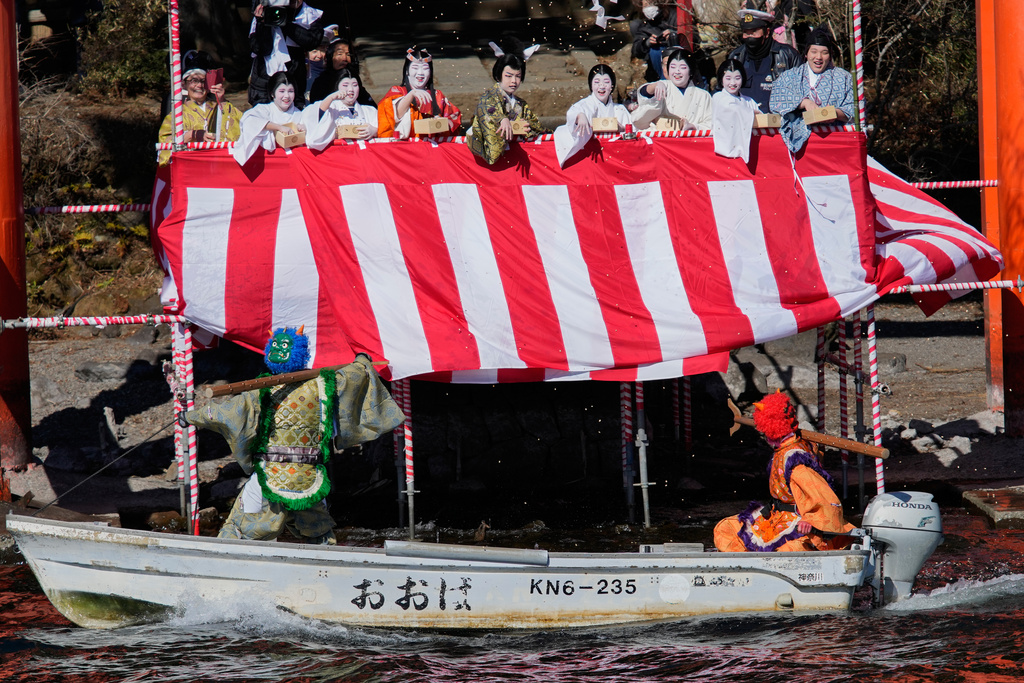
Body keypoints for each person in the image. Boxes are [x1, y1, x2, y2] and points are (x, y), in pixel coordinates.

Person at [182, 326, 404, 544]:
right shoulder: (325, 386)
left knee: (240, 525)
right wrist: (362, 362)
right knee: (318, 530)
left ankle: (224, 555)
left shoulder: (262, 392)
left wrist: (191, 417)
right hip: (309, 474)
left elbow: (225, 412)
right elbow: (355, 375)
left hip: (271, 473)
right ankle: (327, 558)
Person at [713, 392, 854, 552]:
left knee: (789, 549)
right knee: (726, 529)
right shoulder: (784, 449)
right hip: (776, 516)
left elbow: (826, 499)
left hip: (798, 522)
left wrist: (810, 520)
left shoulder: (795, 461)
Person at [769, 27, 854, 153]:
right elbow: (776, 98)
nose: (818, 57)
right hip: (801, 147)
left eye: (824, 52)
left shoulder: (844, 78)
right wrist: (804, 102)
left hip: (834, 143)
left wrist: (833, 113)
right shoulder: (791, 76)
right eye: (813, 51)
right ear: (806, 53)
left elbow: (856, 108)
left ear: (830, 55)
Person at [157, 50, 242, 164]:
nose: (199, 85)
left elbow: (239, 128)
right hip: (191, 166)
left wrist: (222, 101)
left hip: (219, 164)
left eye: (203, 81)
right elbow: (165, 143)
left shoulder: (221, 107)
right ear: (184, 85)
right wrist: (192, 136)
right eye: (193, 80)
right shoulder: (177, 114)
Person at [467, 51, 547, 165]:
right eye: (508, 76)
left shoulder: (521, 103)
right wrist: (502, 119)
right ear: (499, 75)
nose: (513, 81)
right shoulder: (489, 97)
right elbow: (487, 109)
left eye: (518, 76)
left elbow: (536, 125)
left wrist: (526, 125)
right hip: (482, 153)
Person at [726, 0, 802, 113]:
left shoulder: (788, 55)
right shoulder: (736, 57)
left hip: (778, 124)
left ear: (766, 32)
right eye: (746, 32)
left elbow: (800, 92)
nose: (749, 36)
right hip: (745, 123)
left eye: (754, 32)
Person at [247, 0, 326, 109]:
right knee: (264, 118)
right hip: (263, 81)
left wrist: (286, 23)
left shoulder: (307, 14)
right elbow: (259, 48)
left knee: (294, 119)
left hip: (294, 78)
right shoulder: (266, 11)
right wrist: (261, 22)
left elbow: (312, 42)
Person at [554, 64, 632, 167]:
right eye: (596, 82)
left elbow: (632, 133)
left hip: (616, 160)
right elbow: (572, 113)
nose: (602, 86)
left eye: (606, 82)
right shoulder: (584, 105)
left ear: (612, 85)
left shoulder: (620, 109)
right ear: (591, 85)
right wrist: (580, 116)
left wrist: (621, 128)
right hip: (590, 161)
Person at [377, 46, 462, 139]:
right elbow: (392, 115)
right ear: (407, 71)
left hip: (432, 146)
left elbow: (454, 119)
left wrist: (441, 123)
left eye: (425, 68)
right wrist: (411, 95)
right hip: (406, 146)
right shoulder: (397, 91)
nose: (420, 73)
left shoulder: (437, 95)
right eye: (415, 68)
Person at [630, 47, 712, 131]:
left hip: (690, 141)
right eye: (673, 67)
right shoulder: (662, 86)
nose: (677, 71)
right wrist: (655, 86)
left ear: (691, 71)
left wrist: (693, 126)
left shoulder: (703, 95)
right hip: (662, 141)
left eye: (683, 67)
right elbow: (645, 97)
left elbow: (710, 123)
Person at [232, 71, 306, 166]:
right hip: (269, 162)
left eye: (291, 91)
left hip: (294, 162)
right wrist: (278, 127)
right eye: (282, 91)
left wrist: (305, 129)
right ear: (272, 93)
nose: (287, 96)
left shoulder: (299, 114)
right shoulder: (263, 109)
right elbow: (249, 121)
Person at [303, 69, 378, 149]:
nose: (351, 90)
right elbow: (315, 132)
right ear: (337, 87)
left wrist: (375, 131)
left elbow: (387, 132)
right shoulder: (330, 108)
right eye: (345, 85)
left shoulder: (370, 111)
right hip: (339, 155)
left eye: (355, 85)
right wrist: (330, 98)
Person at [711, 58, 761, 163]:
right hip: (724, 152)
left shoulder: (749, 101)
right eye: (728, 78)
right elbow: (732, 110)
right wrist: (750, 113)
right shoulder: (718, 97)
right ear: (721, 79)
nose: (733, 83)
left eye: (737, 78)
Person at [309, 37, 376, 106]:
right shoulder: (321, 81)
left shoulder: (354, 77)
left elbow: (367, 103)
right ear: (330, 57)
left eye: (348, 54)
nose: (344, 58)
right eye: (339, 54)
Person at [630, 0, 678, 81]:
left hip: (676, 55)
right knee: (655, 51)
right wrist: (646, 43)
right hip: (656, 62)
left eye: (651, 4)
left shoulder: (674, 16)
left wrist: (674, 35)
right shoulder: (644, 24)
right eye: (645, 5)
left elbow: (693, 37)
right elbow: (636, 50)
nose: (649, 7)